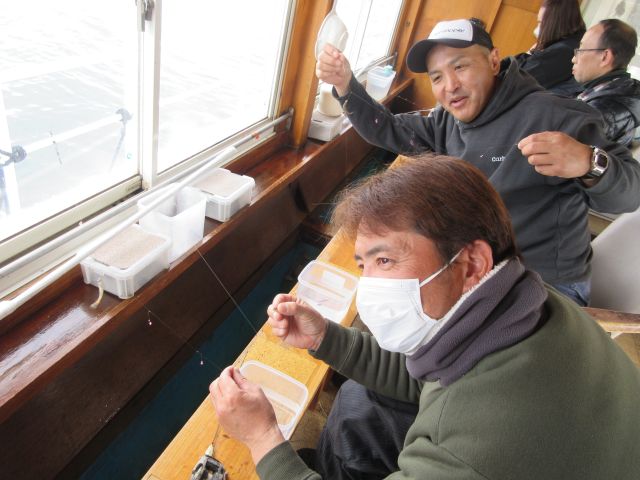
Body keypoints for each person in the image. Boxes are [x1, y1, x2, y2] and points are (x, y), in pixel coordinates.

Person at [208, 156, 640, 479]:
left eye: (385, 260)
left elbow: (468, 432)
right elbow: (425, 378)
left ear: (471, 264)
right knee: (359, 402)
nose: (369, 285)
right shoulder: (527, 301)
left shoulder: (471, 449)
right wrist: (326, 337)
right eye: (363, 265)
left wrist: (262, 437)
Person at [316, 18, 640, 306]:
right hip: (479, 269)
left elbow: (630, 194)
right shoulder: (448, 120)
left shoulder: (557, 116)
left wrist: (588, 162)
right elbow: (388, 128)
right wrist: (346, 85)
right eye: (437, 77)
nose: (450, 85)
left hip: (545, 288)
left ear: (494, 61)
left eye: (460, 67)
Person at [572, 18, 640, 146]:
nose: (573, 59)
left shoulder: (600, 114)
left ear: (604, 57)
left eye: (581, 50)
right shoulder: (619, 92)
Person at [514, 0, 585, 95]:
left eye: (541, 23)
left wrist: (532, 51)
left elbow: (515, 78)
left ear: (553, 23)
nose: (536, 30)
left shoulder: (560, 51)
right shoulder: (574, 41)